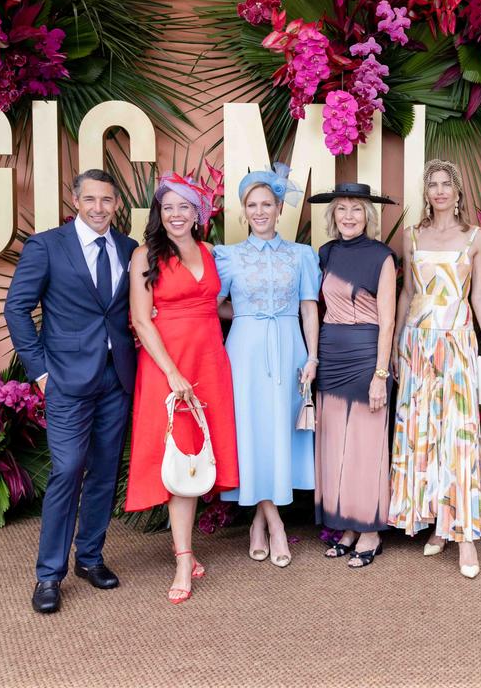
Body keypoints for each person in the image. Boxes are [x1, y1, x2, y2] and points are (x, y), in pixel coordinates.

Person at [4, 169, 138, 614]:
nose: (99, 208)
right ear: (76, 200)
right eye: (91, 199)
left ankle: (91, 557)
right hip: (66, 380)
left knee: (102, 472)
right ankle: (48, 575)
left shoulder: (128, 249)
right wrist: (41, 372)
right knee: (67, 472)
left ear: (117, 203)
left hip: (116, 379)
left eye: (107, 200)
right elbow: (17, 308)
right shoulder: (47, 246)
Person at [125, 173, 240, 603]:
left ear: (198, 214)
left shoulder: (210, 252)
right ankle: (182, 558)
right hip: (167, 365)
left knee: (199, 456)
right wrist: (172, 372)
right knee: (178, 455)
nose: (175, 215)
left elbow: (218, 306)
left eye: (184, 207)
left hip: (209, 360)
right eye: (167, 207)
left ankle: (185, 554)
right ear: (160, 213)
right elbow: (140, 319)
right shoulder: (144, 256)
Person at [388, 159, 481, 579]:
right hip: (417, 344)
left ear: (457, 191)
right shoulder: (412, 235)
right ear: (426, 192)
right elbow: (407, 293)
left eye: (445, 184)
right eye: (431, 184)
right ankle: (437, 522)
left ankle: (465, 535)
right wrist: (397, 343)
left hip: (457, 342)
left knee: (460, 434)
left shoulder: (475, 237)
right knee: (424, 433)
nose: (439, 191)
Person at [214, 163, 321, 568]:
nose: (259, 211)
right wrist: (247, 315)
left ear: (280, 208)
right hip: (244, 350)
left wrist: (312, 356)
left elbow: (309, 308)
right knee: (251, 431)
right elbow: (214, 305)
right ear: (244, 210)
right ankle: (275, 523)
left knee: (278, 431)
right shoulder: (228, 256)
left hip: (291, 348)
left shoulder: (301, 256)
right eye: (251, 204)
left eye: (267, 204)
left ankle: (257, 522)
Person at [307, 183, 397, 568]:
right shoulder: (324, 254)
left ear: (368, 217)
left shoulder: (383, 257)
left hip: (365, 355)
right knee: (336, 446)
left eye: (356, 210)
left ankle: (371, 530)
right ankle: (347, 526)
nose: (348, 216)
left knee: (366, 446)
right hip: (331, 352)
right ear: (332, 215)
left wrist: (380, 373)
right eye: (341, 209)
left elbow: (389, 321)